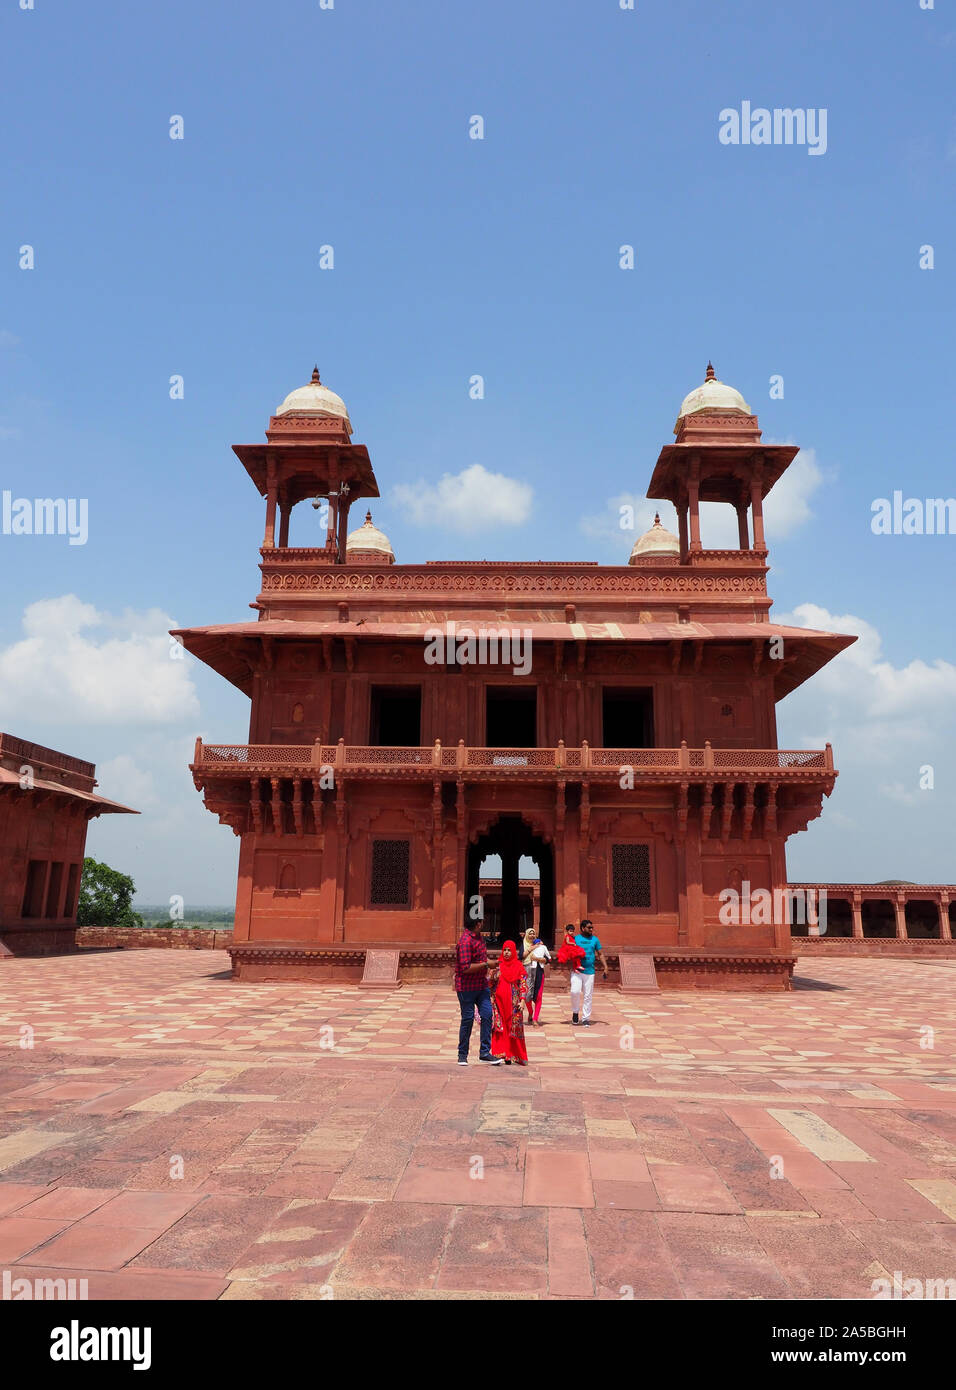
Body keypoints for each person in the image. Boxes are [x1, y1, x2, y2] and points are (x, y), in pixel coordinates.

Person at [455, 918, 503, 1065]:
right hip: (466, 987)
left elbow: (482, 958)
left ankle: (484, 1052)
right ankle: (462, 1055)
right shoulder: (465, 942)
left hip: (481, 985)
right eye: (481, 922)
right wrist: (486, 964)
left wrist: (489, 963)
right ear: (477, 924)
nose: (483, 924)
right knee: (468, 1019)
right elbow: (465, 967)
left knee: (488, 1015)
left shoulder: (480, 938)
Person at [490, 940, 528, 1065]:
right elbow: (490, 983)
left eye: (509, 950)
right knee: (500, 1028)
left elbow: (523, 983)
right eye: (504, 950)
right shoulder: (498, 965)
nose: (506, 953)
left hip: (514, 1002)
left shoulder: (518, 966)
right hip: (499, 1002)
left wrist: (523, 1001)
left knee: (513, 1027)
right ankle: (501, 1054)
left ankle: (512, 1054)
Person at [570, 919, 607, 1026]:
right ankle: (575, 1012)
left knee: (588, 995)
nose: (591, 929)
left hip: (589, 971)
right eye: (589, 927)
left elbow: (600, 954)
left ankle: (586, 1018)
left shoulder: (595, 940)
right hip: (577, 970)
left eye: (592, 927)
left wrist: (606, 967)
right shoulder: (575, 939)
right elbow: (568, 951)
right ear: (583, 928)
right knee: (575, 991)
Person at [525, 936, 551, 1025]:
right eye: (530, 933)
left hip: (539, 972)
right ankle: (531, 1012)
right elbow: (520, 956)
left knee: (538, 996)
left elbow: (549, 958)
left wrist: (540, 959)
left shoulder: (543, 947)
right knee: (527, 996)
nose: (532, 935)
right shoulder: (525, 946)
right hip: (528, 973)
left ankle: (535, 1018)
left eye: (533, 933)